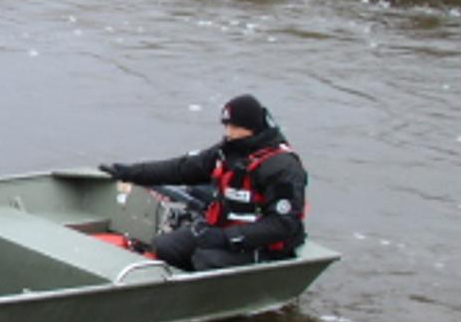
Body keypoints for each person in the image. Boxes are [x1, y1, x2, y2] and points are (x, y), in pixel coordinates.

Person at [100, 94, 309, 272]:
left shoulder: (282, 167)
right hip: (222, 229)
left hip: (262, 245)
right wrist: (130, 173)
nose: (228, 133)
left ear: (252, 128)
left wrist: (226, 238)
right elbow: (181, 169)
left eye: (234, 127)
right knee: (166, 246)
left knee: (206, 259)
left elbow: (283, 224)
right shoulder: (227, 151)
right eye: (227, 126)